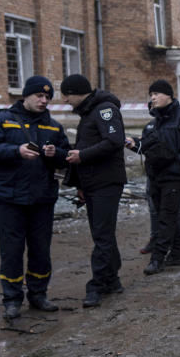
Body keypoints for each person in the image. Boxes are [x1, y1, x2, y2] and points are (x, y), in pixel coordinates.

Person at [0, 76, 70, 319]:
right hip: (10, 198)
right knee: (12, 250)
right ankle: (12, 298)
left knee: (41, 249)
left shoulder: (53, 125)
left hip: (42, 199)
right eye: (39, 96)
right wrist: (15, 152)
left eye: (47, 97)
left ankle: (38, 294)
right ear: (26, 96)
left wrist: (55, 153)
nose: (44, 101)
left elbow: (66, 156)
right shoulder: (1, 120)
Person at [61, 74, 127, 308]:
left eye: (67, 94)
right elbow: (85, 147)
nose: (65, 100)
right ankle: (112, 279)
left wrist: (82, 156)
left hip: (106, 182)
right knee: (104, 233)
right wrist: (80, 185)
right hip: (92, 183)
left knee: (102, 234)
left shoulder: (104, 110)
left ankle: (97, 285)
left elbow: (114, 141)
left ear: (78, 92)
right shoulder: (89, 113)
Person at [126, 80, 180, 275]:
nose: (152, 97)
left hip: (174, 177)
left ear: (169, 95)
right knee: (167, 213)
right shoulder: (152, 125)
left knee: (166, 216)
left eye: (157, 93)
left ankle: (158, 258)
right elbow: (148, 149)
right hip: (155, 177)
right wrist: (134, 144)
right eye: (151, 94)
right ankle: (178, 254)